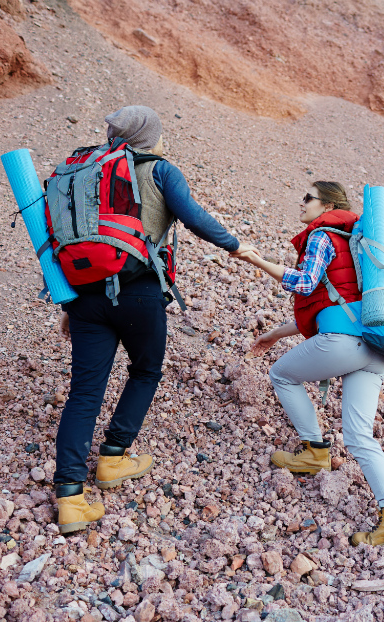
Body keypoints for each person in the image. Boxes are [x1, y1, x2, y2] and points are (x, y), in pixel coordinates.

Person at [54, 105, 257, 534]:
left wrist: (69, 306)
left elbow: (65, 237)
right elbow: (193, 216)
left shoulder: (84, 172)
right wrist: (236, 246)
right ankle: (113, 457)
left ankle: (70, 499)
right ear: (150, 136)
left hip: (85, 296)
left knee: (84, 392)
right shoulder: (160, 169)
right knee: (145, 370)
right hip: (139, 292)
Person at [232, 182, 384, 547]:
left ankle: (315, 452)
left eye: (309, 198)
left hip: (343, 343)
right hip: (373, 347)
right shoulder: (358, 244)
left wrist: (256, 260)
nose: (302, 203)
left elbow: (304, 284)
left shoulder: (322, 235)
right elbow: (336, 306)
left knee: (281, 375)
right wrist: (275, 334)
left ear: (328, 205)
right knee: (360, 437)